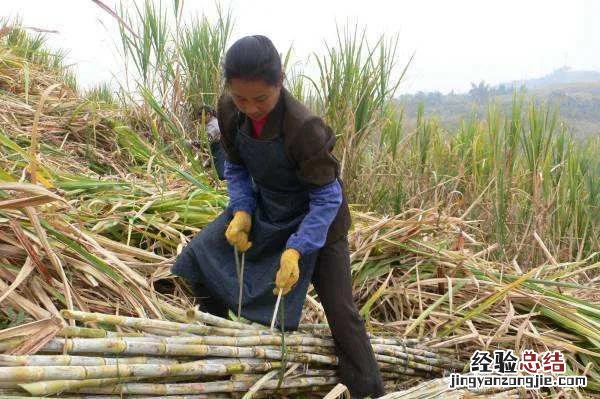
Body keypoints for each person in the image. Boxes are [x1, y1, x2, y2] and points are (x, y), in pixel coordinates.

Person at [171, 35, 384, 398]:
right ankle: (223, 352)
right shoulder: (228, 111)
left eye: (261, 99)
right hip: (267, 209)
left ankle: (368, 389)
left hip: (320, 223)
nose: (251, 108)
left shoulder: (304, 128)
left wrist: (297, 249)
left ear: (280, 82)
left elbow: (326, 197)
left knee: (342, 314)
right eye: (241, 98)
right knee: (197, 260)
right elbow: (235, 167)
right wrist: (241, 211)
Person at [199, 105, 226, 180]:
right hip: (217, 150)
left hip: (220, 150)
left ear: (208, 115)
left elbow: (205, 142)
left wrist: (191, 143)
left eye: (201, 117)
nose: (200, 119)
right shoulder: (213, 122)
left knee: (221, 175)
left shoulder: (213, 126)